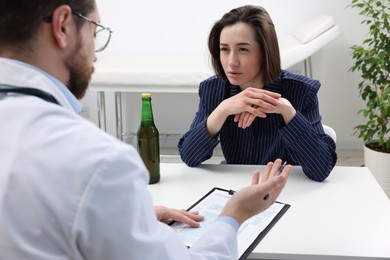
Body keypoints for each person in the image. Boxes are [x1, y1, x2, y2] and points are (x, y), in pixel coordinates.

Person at [0, 1, 291, 259]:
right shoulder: (100, 162)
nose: (96, 56)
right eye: (95, 31)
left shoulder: (297, 90)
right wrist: (233, 215)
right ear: (63, 25)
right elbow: (189, 154)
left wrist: (126, 219)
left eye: (242, 49)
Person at [178, 5, 337, 182]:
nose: (231, 62)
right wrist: (222, 110)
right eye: (224, 49)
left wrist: (288, 112)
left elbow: (321, 169)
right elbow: (189, 156)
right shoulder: (213, 90)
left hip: (285, 189)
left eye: (243, 49)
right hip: (234, 190)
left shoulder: (302, 91)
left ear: (265, 51)